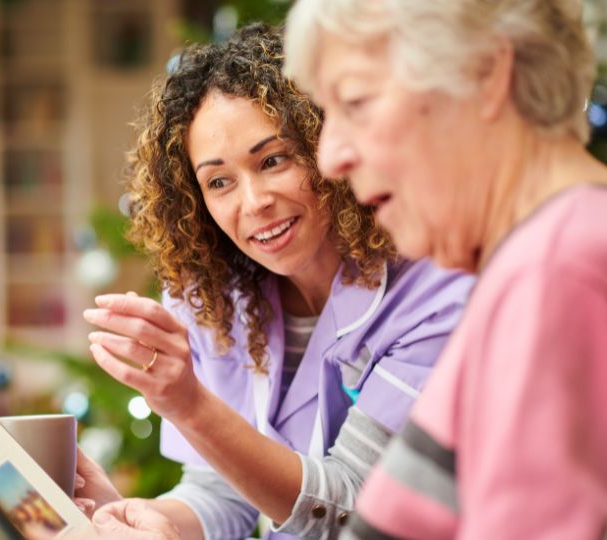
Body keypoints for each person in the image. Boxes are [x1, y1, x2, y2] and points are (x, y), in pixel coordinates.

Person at [79, 24, 473, 540]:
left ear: (326, 145)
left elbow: (353, 509)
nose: (253, 202)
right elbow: (221, 492)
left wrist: (191, 406)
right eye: (219, 182)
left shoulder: (434, 293)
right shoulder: (215, 300)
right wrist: (139, 519)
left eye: (273, 160)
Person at [283, 0, 607, 538]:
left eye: (357, 102)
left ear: (485, 73)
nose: (330, 156)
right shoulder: (532, 265)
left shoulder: (558, 268)